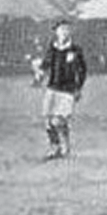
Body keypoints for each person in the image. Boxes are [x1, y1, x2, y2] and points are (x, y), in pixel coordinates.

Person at [37, 20, 87, 160]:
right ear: (56, 32)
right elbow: (45, 65)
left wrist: (78, 88)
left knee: (58, 120)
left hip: (67, 91)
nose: (64, 32)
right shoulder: (52, 49)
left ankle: (65, 145)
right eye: (61, 29)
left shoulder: (76, 50)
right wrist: (39, 71)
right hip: (52, 88)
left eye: (67, 29)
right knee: (47, 119)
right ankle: (55, 147)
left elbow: (82, 71)